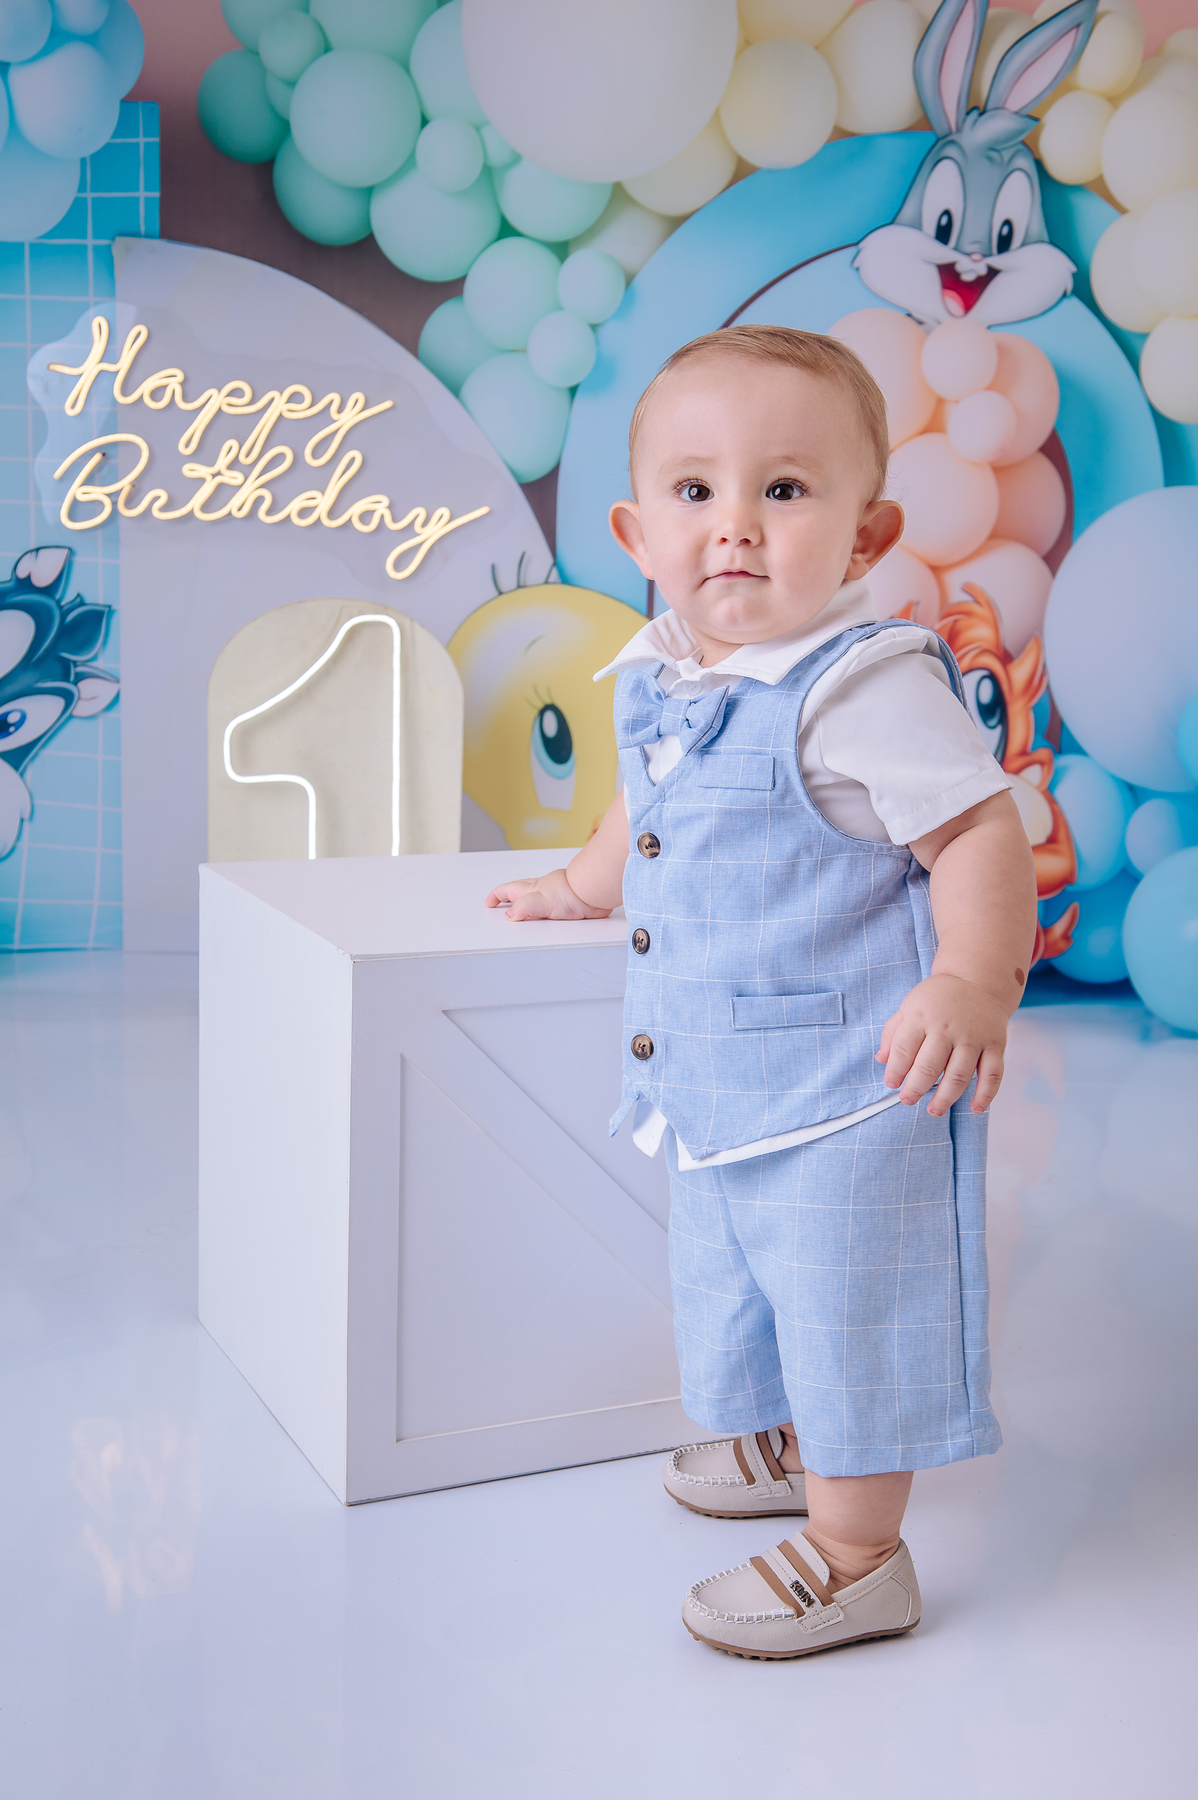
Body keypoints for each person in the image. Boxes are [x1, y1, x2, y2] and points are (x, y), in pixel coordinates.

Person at [485, 325, 1038, 1660]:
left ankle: (859, 1557)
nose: (734, 524)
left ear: (864, 536)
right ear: (638, 532)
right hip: (719, 1082)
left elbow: (979, 832)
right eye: (696, 491)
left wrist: (973, 979)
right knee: (740, 1286)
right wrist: (583, 883)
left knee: (850, 1309)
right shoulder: (670, 668)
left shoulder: (866, 684)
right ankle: (794, 1445)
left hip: (853, 1087)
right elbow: (647, 803)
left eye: (783, 489)